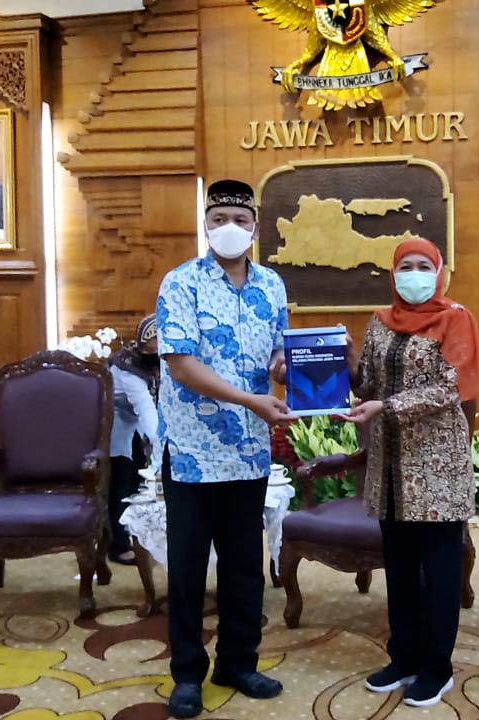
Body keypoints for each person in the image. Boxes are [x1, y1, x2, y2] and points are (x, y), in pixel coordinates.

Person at [156, 179, 292, 719]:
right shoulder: (180, 283)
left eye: (239, 219)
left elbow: (278, 355)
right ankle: (188, 674)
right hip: (192, 452)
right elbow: (180, 364)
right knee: (188, 570)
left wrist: (293, 367)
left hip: (249, 452)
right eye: (218, 219)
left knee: (243, 567)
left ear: (255, 227)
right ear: (206, 225)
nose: (229, 228)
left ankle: (238, 662)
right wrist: (250, 399)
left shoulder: (272, 285)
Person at [341, 238, 479, 708]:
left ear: (439, 272)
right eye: (406, 266)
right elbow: (368, 383)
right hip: (389, 468)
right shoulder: (380, 321)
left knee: (439, 572)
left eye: (424, 266)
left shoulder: (455, 319)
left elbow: (451, 387)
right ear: (393, 273)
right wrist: (348, 360)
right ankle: (402, 657)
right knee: (399, 568)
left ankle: (437, 668)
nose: (414, 274)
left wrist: (386, 406)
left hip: (437, 466)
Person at [107, 314, 162, 566]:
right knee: (119, 481)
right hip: (113, 421)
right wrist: (163, 449)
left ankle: (137, 539)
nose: (153, 355)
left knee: (135, 482)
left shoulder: (165, 359)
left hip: (134, 423)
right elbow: (145, 409)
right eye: (148, 350)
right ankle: (117, 545)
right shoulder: (126, 366)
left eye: (157, 350)